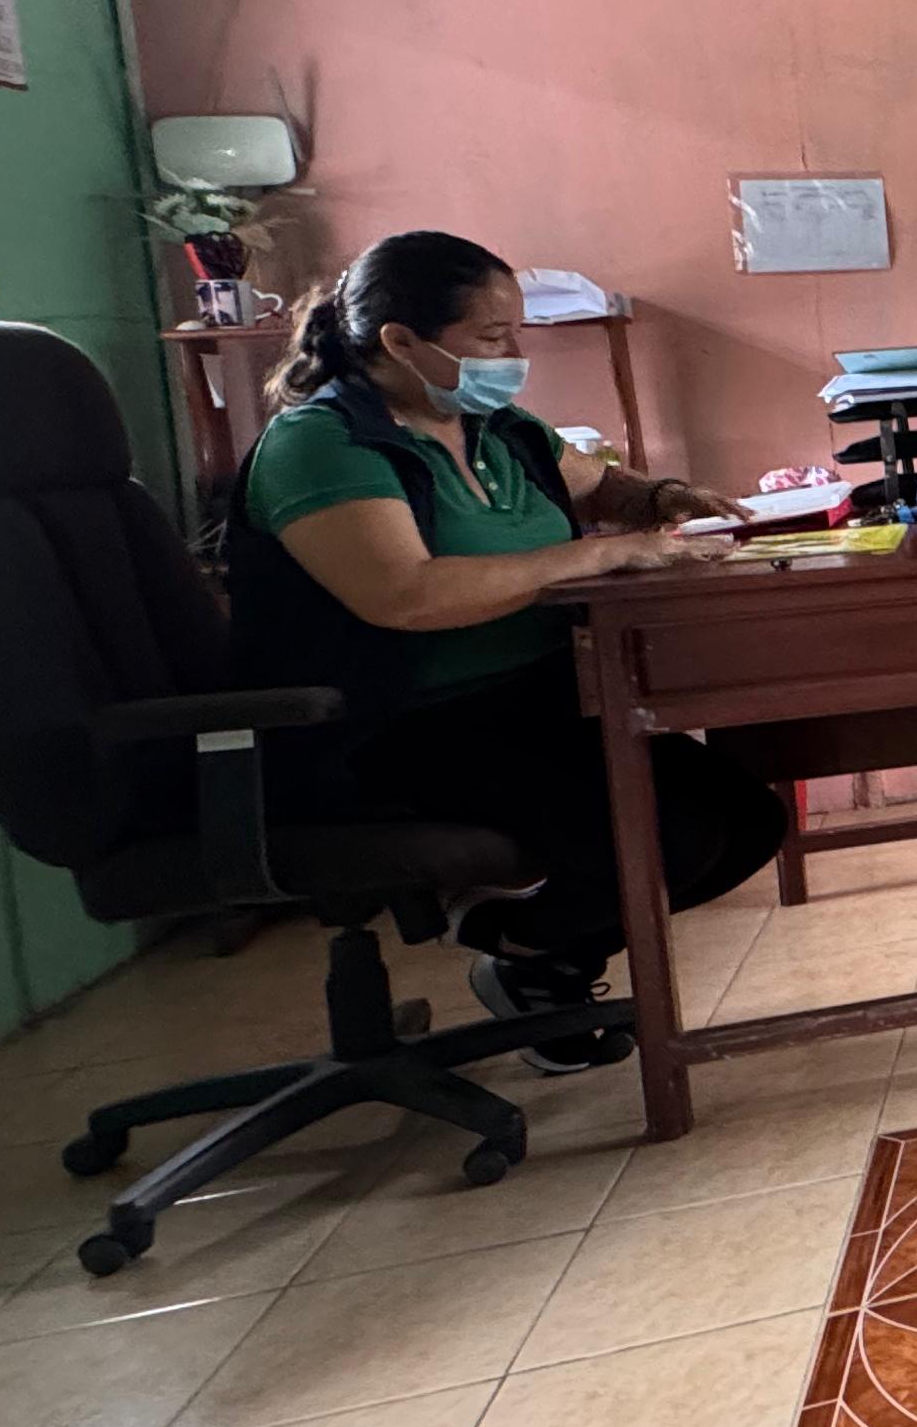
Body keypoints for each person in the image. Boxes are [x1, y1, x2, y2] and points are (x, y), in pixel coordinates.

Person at [229, 229, 789, 1054]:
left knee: (749, 821)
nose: (516, 356)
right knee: (673, 839)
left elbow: (603, 487)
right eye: (494, 337)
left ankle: (539, 965)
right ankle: (507, 941)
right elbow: (404, 595)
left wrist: (666, 498)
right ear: (401, 342)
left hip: (536, 699)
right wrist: (594, 555)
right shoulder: (324, 444)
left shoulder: (496, 427)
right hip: (395, 727)